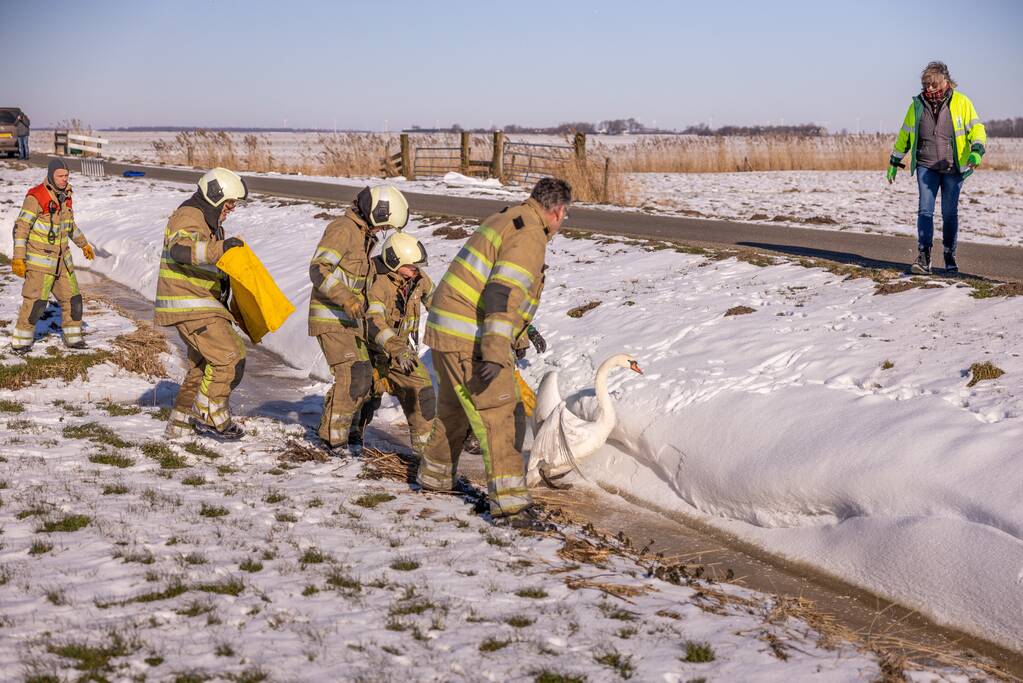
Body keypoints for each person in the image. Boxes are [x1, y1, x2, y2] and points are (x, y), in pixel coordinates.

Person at [417, 177, 571, 530]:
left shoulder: (507, 217)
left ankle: (434, 479)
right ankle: (511, 507)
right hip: (470, 337)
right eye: (565, 217)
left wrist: (522, 332)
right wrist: (493, 352)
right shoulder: (530, 234)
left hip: (447, 329)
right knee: (501, 416)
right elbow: (502, 294)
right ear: (558, 211)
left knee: (454, 412)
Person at [308, 185, 409, 456]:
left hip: (350, 322)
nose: (382, 230)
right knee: (350, 375)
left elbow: (360, 274)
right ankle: (333, 441)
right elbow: (318, 269)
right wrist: (346, 298)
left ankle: (349, 433)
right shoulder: (343, 229)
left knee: (364, 377)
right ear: (376, 212)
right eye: (384, 224)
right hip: (331, 316)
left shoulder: (363, 237)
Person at [155, 167, 250, 440]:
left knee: (201, 368)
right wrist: (220, 249)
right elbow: (179, 250)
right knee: (229, 355)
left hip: (202, 303)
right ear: (215, 195)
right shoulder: (189, 216)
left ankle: (180, 425)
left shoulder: (210, 221)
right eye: (230, 202)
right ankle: (210, 413)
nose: (232, 208)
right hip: (190, 303)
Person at [887, 61, 987, 275]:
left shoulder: (961, 102)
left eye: (933, 84)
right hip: (926, 166)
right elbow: (905, 134)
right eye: (926, 84)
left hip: (953, 167)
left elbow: (977, 128)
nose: (929, 89)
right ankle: (924, 257)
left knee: (949, 214)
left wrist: (977, 150)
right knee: (925, 210)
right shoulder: (916, 105)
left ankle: (950, 255)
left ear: (945, 82)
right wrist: (894, 160)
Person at [351, 232, 435, 456]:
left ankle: (427, 456)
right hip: (372, 351)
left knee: (422, 390)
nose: (417, 272)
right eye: (412, 267)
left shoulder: (417, 279)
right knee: (365, 398)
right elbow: (375, 321)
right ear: (395, 263)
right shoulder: (378, 284)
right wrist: (397, 349)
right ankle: (350, 440)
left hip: (401, 354)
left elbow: (439, 303)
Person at [10, 158, 95, 353]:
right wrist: (18, 258)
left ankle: (73, 339)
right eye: (60, 176)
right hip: (41, 262)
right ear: (50, 175)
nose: (64, 179)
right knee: (35, 303)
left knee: (73, 299)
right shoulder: (36, 196)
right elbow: (21, 228)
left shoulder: (66, 195)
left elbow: (69, 226)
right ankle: (21, 342)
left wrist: (83, 245)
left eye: (66, 176)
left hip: (63, 261)